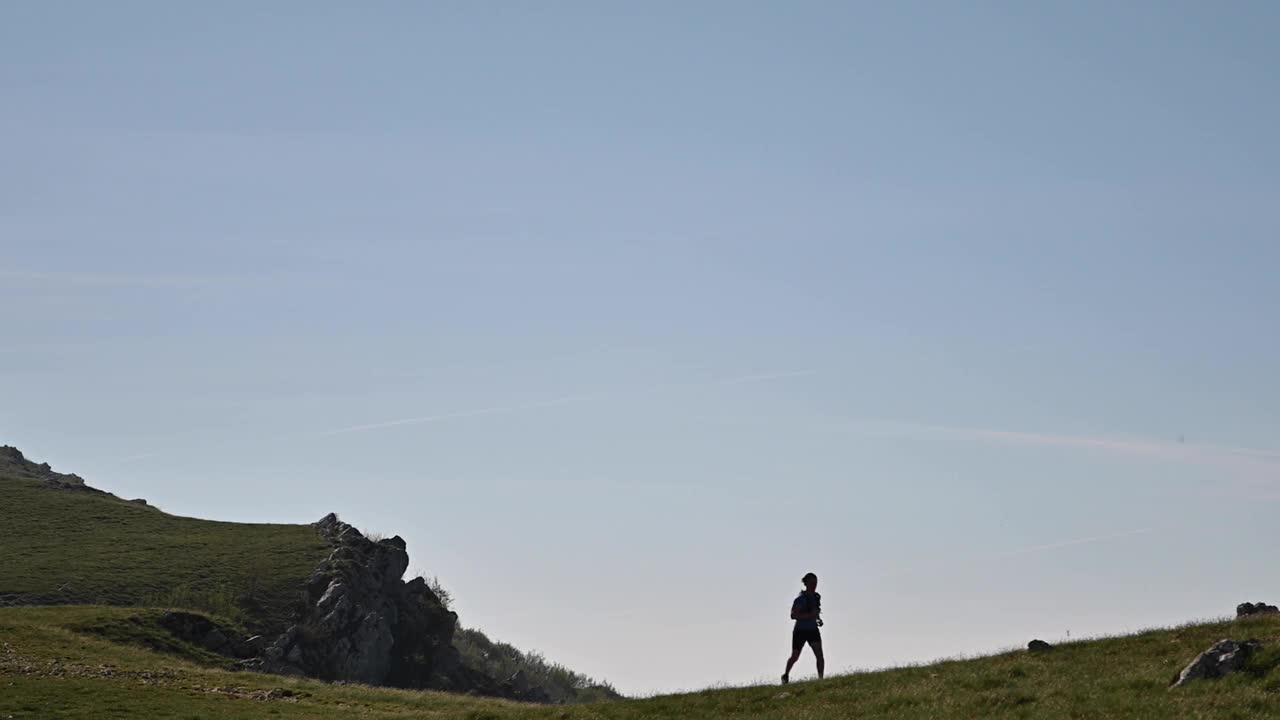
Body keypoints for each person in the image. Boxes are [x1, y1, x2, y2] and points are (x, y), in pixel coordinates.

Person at [782, 572, 823, 684]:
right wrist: (810, 615)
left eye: (816, 583)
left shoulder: (816, 597)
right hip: (800, 631)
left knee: (819, 655)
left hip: (813, 630)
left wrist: (817, 617)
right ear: (806, 584)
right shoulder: (800, 599)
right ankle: (785, 675)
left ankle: (821, 679)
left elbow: (815, 611)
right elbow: (793, 615)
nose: (814, 585)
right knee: (795, 656)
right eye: (812, 583)